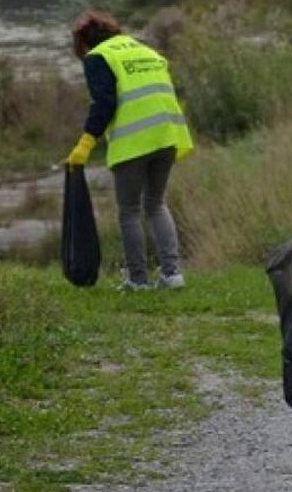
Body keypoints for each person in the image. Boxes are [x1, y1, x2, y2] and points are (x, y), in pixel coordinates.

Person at [67, 9, 193, 291]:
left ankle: (138, 280)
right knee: (156, 204)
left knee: (129, 210)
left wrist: (86, 143)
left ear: (84, 43)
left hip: (134, 141)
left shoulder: (99, 58)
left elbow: (104, 104)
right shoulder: (144, 51)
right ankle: (172, 275)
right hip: (167, 135)